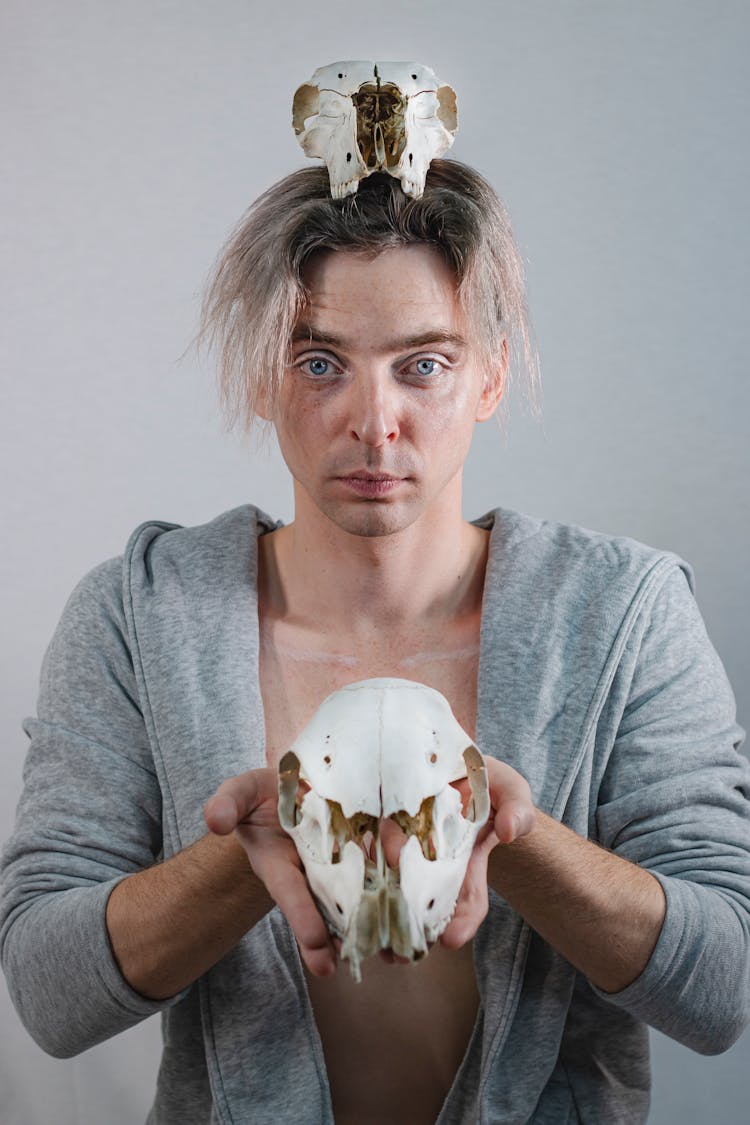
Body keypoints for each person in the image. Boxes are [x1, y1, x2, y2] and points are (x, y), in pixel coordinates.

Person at [2, 159, 749, 1125]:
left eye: (424, 364)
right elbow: (46, 993)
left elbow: (724, 982)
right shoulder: (141, 614)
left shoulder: (622, 611)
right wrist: (246, 855)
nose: (373, 421)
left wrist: (510, 834)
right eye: (320, 363)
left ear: (491, 375)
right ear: (261, 377)